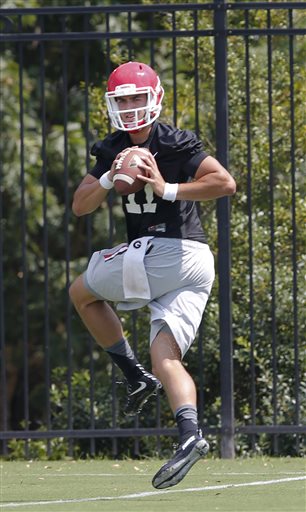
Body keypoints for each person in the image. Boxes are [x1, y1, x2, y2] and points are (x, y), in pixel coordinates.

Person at [69, 61, 236, 489]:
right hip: (195, 266)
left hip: (170, 252)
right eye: (121, 99)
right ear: (111, 105)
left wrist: (167, 189)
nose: (129, 106)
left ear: (155, 99)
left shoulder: (174, 141)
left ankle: (132, 375)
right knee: (167, 358)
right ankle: (189, 435)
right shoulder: (111, 148)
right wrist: (109, 175)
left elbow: (224, 183)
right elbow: (80, 204)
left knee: (80, 291)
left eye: (136, 98)